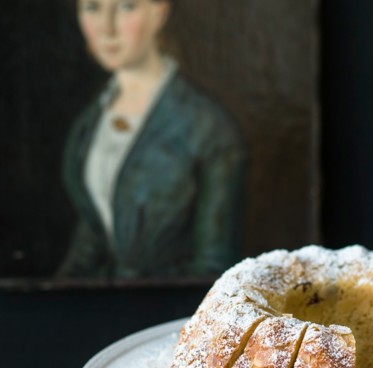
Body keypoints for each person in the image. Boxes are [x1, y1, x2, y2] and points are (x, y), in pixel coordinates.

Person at [58, 0, 247, 279]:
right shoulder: (90, 122)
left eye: (126, 7)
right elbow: (95, 229)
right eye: (92, 8)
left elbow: (213, 265)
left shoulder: (208, 129)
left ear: (158, 13)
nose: (107, 28)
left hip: (171, 312)